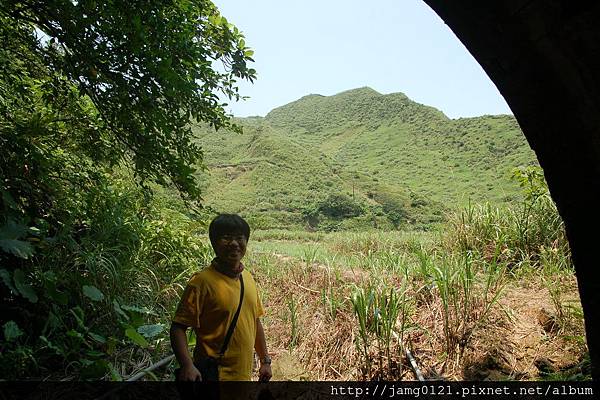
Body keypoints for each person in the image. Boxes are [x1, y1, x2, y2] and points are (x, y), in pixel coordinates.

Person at [170, 214, 272, 382]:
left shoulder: (247, 277)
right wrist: (187, 365)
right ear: (214, 243)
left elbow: (254, 321)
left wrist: (265, 360)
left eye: (240, 238)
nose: (234, 244)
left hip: (243, 376)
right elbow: (178, 328)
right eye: (226, 238)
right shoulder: (201, 282)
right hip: (214, 377)